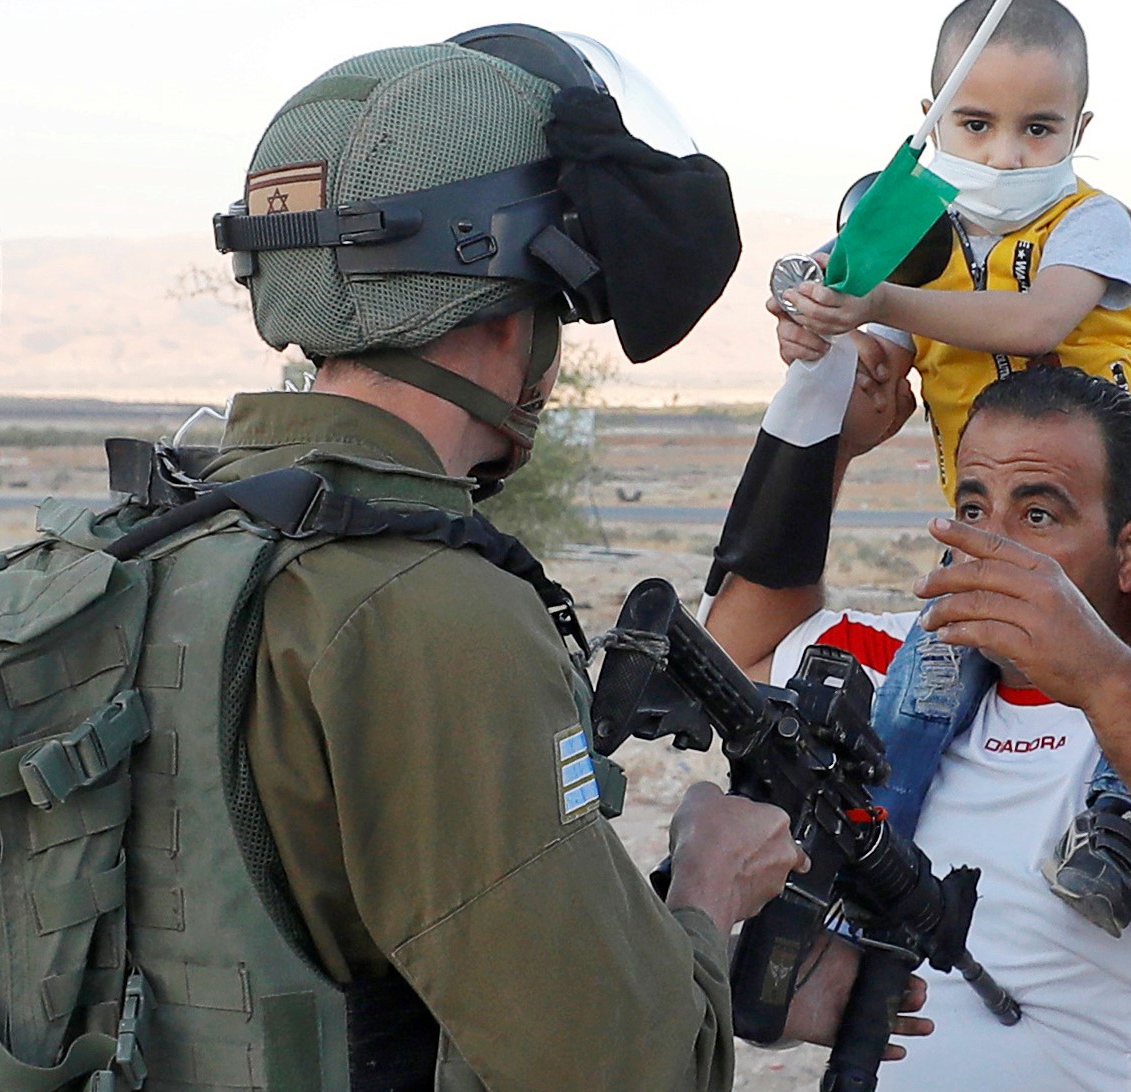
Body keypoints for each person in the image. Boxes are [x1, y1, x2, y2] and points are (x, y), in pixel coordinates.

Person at [123, 31, 840, 1089]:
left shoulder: (155, 539)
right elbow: (616, 1071)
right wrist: (708, 883)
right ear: (517, 302)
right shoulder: (434, 611)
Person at [706, 357, 1131, 1089]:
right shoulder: (901, 667)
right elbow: (736, 650)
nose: (992, 546)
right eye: (973, 510)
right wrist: (827, 424)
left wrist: (1100, 674)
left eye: (1038, 516)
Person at [763, 0, 1131, 939]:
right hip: (987, 536)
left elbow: (1034, 322)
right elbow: (858, 325)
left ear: (1078, 130)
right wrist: (818, 318)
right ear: (932, 120)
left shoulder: (1093, 223)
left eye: (1037, 129)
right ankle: (859, 871)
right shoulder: (913, 238)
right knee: (927, 684)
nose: (1003, 154)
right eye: (975, 124)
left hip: (1129, 512)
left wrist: (878, 297)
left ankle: (1117, 820)